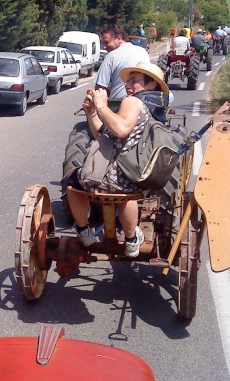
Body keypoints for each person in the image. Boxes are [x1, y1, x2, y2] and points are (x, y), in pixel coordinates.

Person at [68, 61, 170, 258]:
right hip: (132, 177)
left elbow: (120, 129)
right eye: (128, 80)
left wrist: (101, 105)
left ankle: (84, 231)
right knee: (126, 195)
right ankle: (131, 240)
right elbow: (105, 137)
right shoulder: (153, 108)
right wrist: (92, 113)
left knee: (72, 185)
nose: (128, 84)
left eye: (135, 80)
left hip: (109, 178)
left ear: (151, 85)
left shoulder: (132, 102)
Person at [94, 25, 150, 109]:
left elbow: (99, 89)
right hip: (142, 103)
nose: (104, 47)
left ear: (119, 38)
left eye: (106, 42)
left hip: (118, 106)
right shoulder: (143, 52)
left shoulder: (111, 56)